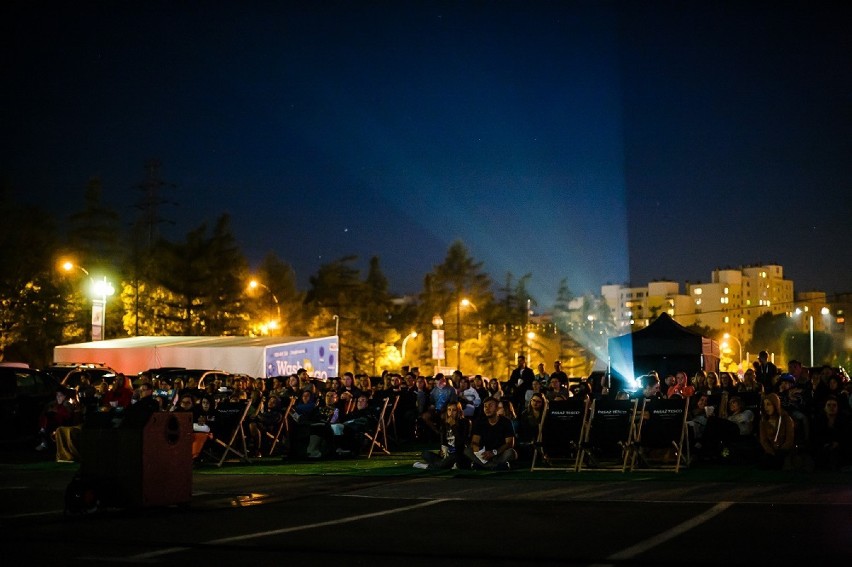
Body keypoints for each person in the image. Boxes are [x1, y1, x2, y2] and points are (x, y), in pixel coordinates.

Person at [413, 401, 471, 470]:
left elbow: (462, 441)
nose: (451, 412)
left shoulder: (465, 422)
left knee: (446, 461)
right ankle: (447, 465)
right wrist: (442, 451)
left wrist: (453, 425)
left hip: (459, 454)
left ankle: (426, 466)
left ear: (459, 411)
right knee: (425, 454)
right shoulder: (444, 423)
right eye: (449, 410)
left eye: (454, 410)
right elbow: (443, 442)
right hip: (447, 455)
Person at [464, 397, 517, 470]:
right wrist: (476, 448)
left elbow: (510, 443)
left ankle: (483, 466)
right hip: (484, 454)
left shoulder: (506, 422)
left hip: (499, 453)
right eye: (485, 406)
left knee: (511, 452)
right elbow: (475, 441)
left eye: (490, 406)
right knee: (467, 450)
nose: (487, 408)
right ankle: (494, 466)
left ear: (497, 408)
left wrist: (493, 452)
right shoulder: (480, 422)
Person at [758, 393, 795, 470]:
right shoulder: (763, 421)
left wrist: (782, 450)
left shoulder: (786, 419)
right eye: (764, 405)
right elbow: (763, 440)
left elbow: (789, 439)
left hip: (784, 450)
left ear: (775, 405)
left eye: (769, 404)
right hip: (771, 450)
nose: (766, 408)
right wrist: (771, 451)